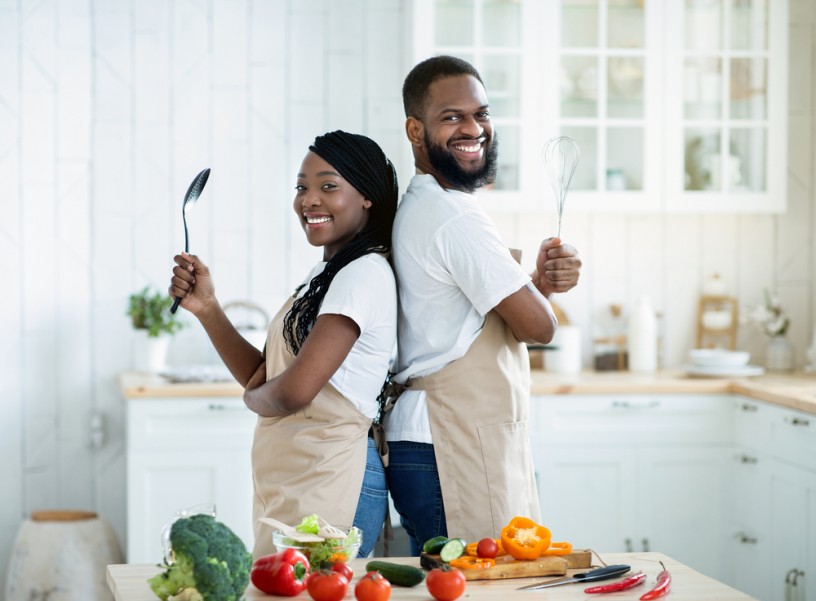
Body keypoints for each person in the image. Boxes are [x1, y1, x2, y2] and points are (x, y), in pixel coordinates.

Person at [383, 55, 583, 554]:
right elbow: (539, 327)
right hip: (451, 446)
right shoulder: (454, 218)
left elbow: (475, 318)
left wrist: (539, 281)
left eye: (482, 114)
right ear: (415, 129)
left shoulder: (424, 205)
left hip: (432, 441)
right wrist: (539, 295)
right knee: (481, 588)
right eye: (453, 117)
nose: (474, 128)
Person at [168, 130, 399, 559]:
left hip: (332, 480)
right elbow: (265, 375)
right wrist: (207, 308)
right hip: (299, 480)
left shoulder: (362, 275)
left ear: (367, 196)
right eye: (302, 187)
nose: (309, 200)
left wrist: (253, 400)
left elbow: (292, 391)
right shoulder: (326, 274)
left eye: (328, 186)